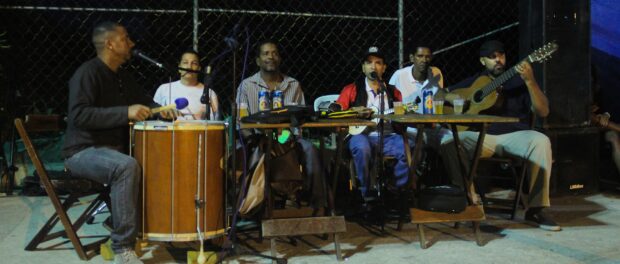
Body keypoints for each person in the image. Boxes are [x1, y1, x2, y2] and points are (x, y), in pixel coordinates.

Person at [62, 21, 170, 264]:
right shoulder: (87, 73)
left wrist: (160, 110)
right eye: (125, 38)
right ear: (110, 44)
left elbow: (145, 102)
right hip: (82, 151)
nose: (131, 43)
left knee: (155, 161)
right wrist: (125, 112)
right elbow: (78, 115)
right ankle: (123, 247)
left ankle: (147, 225)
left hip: (112, 151)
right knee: (126, 166)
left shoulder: (122, 76)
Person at [443, 40, 560, 231]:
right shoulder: (476, 80)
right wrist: (455, 98)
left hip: (515, 134)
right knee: (449, 142)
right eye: (492, 57)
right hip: (483, 136)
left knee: (541, 141)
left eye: (501, 55)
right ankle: (469, 201)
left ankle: (537, 208)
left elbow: (543, 111)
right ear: (483, 61)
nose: (498, 60)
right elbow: (441, 93)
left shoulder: (519, 79)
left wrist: (530, 81)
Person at [236, 40, 326, 209]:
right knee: (254, 150)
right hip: (258, 138)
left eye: (275, 53)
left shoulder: (293, 85)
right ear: (257, 60)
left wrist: (286, 136)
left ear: (280, 58)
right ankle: (255, 204)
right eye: (266, 53)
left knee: (310, 149)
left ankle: (319, 204)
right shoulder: (247, 86)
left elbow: (300, 120)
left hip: (288, 137)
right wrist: (255, 139)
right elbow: (241, 122)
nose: (271, 57)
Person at [332, 46, 409, 197]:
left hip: (388, 137)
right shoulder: (352, 89)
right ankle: (367, 194)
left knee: (407, 147)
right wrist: (355, 112)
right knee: (362, 147)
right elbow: (335, 111)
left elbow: (400, 120)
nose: (373, 66)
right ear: (363, 68)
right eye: (369, 62)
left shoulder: (393, 92)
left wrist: (402, 116)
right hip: (360, 136)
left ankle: (397, 191)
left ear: (384, 68)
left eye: (378, 62)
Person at [153, 50, 220, 120]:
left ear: (199, 69)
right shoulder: (164, 89)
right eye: (185, 62)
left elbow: (215, 122)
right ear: (179, 68)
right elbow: (153, 114)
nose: (189, 67)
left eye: (194, 63)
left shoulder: (209, 93)